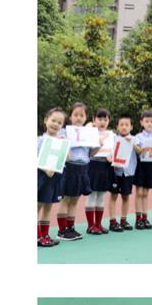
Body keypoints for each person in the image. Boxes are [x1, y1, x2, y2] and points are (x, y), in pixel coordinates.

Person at [56, 102, 92, 241]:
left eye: (82, 115)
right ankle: (61, 230)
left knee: (75, 200)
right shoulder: (64, 132)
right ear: (70, 116)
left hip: (83, 168)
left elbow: (91, 153)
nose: (78, 118)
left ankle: (70, 228)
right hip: (69, 167)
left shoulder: (88, 134)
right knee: (65, 199)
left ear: (85, 117)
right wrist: (62, 140)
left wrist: (98, 144)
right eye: (75, 115)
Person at [37, 107, 67, 247]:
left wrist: (64, 146)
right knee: (37, 206)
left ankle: (45, 235)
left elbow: (67, 158)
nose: (55, 124)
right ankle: (37, 236)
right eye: (53, 120)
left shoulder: (61, 141)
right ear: (46, 120)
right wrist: (45, 169)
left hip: (55, 177)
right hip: (41, 176)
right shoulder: (39, 140)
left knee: (48, 206)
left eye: (59, 122)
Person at [132, 109, 152, 230]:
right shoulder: (138, 137)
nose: (149, 123)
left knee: (145, 193)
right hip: (141, 165)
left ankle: (145, 218)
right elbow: (137, 150)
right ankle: (138, 219)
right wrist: (138, 148)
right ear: (141, 122)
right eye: (147, 121)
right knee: (139, 192)